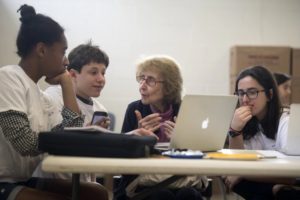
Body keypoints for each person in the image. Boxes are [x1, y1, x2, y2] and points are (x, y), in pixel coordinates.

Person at [0, 4, 108, 200]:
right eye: (63, 51)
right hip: (4, 182)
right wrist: (61, 139)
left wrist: (67, 83)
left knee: (97, 193)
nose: (66, 61)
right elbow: (25, 143)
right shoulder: (8, 78)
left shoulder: (41, 96)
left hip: (24, 180)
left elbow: (71, 134)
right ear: (42, 50)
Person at [114, 55, 207, 200]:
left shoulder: (185, 109)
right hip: (143, 182)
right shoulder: (134, 109)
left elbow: (201, 155)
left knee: (189, 195)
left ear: (169, 86)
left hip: (181, 179)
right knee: (161, 195)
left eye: (150, 80)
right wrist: (138, 139)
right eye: (141, 78)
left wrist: (181, 142)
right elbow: (123, 161)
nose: (142, 86)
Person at [33, 42, 110, 182]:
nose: (101, 79)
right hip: (53, 180)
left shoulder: (100, 110)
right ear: (73, 74)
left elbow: (94, 158)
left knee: (99, 193)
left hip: (82, 180)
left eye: (103, 73)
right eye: (94, 72)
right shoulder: (53, 97)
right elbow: (51, 144)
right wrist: (82, 136)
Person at [225, 65, 297, 200]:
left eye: (252, 92)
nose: (245, 99)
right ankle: (275, 190)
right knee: (235, 181)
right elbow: (236, 164)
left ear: (270, 95)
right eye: (240, 93)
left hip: (292, 182)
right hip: (268, 182)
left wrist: (242, 174)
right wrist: (235, 130)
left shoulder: (285, 122)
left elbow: (289, 176)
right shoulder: (251, 123)